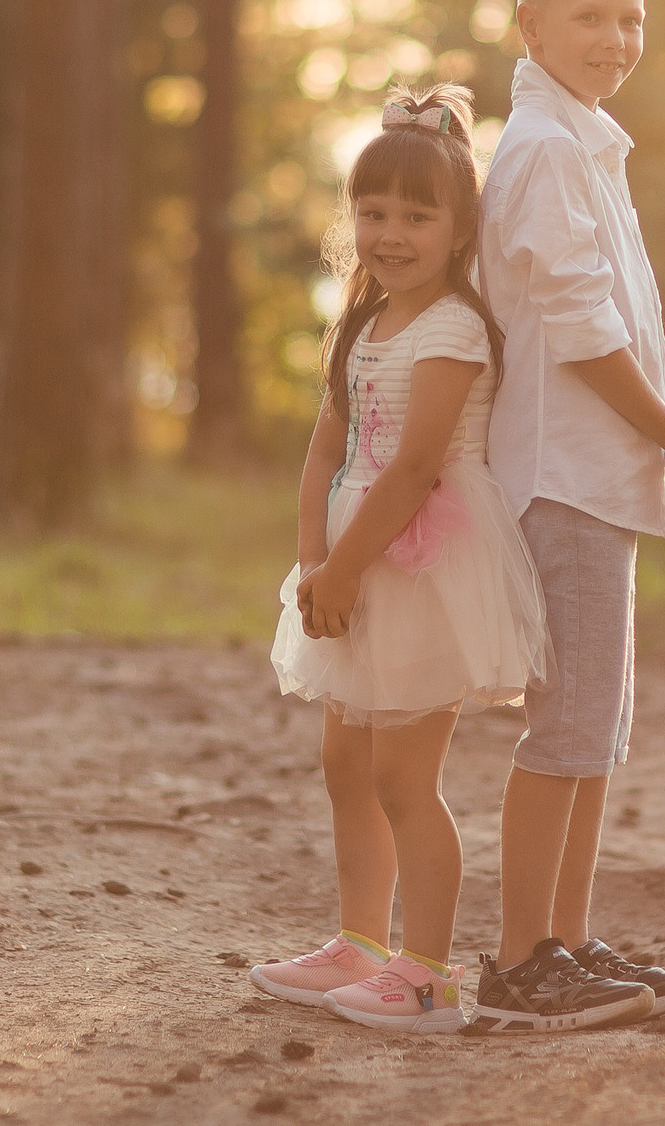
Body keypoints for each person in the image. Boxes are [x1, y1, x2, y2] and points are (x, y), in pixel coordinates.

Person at [462, 0, 665, 1036]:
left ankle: (566, 941)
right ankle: (518, 962)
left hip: (603, 476)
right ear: (530, 26)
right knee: (568, 727)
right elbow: (583, 333)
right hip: (565, 476)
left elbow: (610, 320)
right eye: (588, 15)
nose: (613, 36)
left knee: (595, 726)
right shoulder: (541, 150)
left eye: (629, 17)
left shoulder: (584, 140)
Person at [250, 84, 553, 1034]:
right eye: (373, 211)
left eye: (417, 215)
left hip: (422, 566)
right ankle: (359, 940)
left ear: (460, 230)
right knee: (345, 760)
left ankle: (428, 972)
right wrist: (314, 566)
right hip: (350, 564)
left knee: (400, 777)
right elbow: (323, 452)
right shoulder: (360, 325)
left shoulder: (454, 327)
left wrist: (346, 569)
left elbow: (419, 464)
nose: (390, 231)